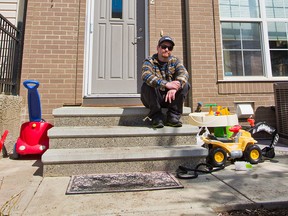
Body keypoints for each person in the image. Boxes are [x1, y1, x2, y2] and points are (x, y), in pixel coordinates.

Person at [141, 36, 190, 128]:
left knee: (185, 84)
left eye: (170, 48)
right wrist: (167, 84)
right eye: (164, 46)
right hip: (153, 98)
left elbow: (184, 74)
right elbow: (145, 75)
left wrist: (175, 87)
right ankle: (156, 116)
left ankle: (173, 117)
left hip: (170, 98)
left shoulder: (175, 61)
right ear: (158, 48)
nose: (166, 49)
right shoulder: (149, 61)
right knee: (147, 84)